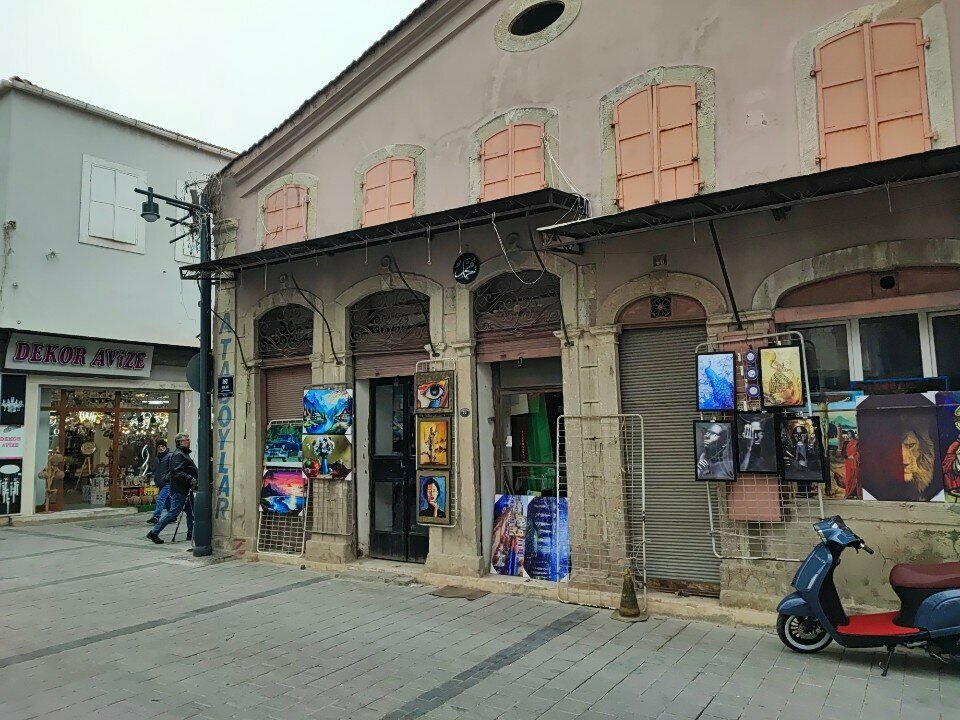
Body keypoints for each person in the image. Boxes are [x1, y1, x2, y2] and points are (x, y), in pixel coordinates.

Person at [147, 433, 196, 544]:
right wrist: (189, 478)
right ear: (180, 441)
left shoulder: (183, 454)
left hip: (186, 488)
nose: (188, 441)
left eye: (188, 439)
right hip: (180, 489)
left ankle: (191, 533)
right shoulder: (179, 454)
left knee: (191, 512)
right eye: (186, 439)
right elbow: (176, 471)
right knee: (173, 513)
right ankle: (154, 532)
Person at [147, 440, 172, 524]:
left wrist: (166, 478)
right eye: (159, 447)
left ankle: (156, 517)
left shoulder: (169, 456)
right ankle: (172, 516)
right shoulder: (157, 458)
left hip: (168, 483)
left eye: (162, 446)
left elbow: (172, 469)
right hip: (160, 483)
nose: (160, 448)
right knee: (168, 500)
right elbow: (155, 470)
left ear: (165, 447)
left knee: (160, 498)